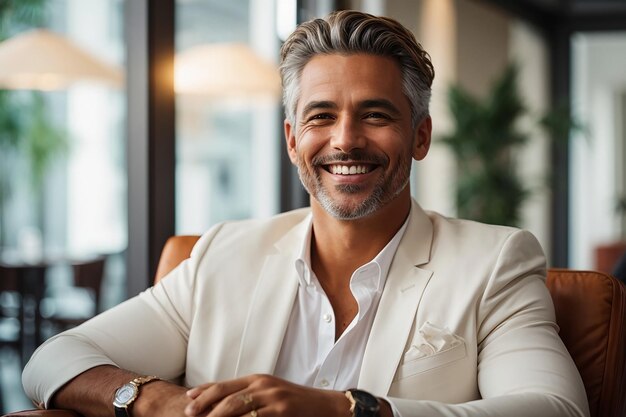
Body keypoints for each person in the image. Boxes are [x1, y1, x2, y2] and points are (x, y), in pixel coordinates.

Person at [23, 10, 589, 417]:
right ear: (293, 141)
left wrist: (350, 410)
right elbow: (53, 359)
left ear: (420, 137)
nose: (346, 140)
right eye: (321, 116)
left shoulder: (495, 261)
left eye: (374, 114)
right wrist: (154, 401)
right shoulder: (225, 253)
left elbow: (554, 407)